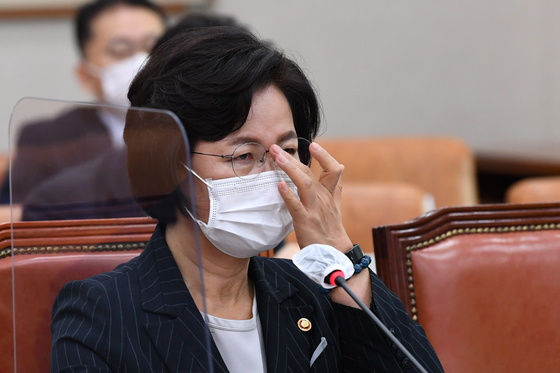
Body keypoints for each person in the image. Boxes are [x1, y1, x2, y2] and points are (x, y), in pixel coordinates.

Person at [50, 27, 444, 372]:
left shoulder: (311, 291)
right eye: (244, 156)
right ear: (168, 165)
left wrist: (339, 252)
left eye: (287, 152)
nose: (275, 176)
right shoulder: (99, 311)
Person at [6, 0, 165, 203]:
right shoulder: (48, 139)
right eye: (120, 50)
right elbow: (27, 221)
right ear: (85, 76)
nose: (141, 61)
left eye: (154, 47)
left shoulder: (198, 126)